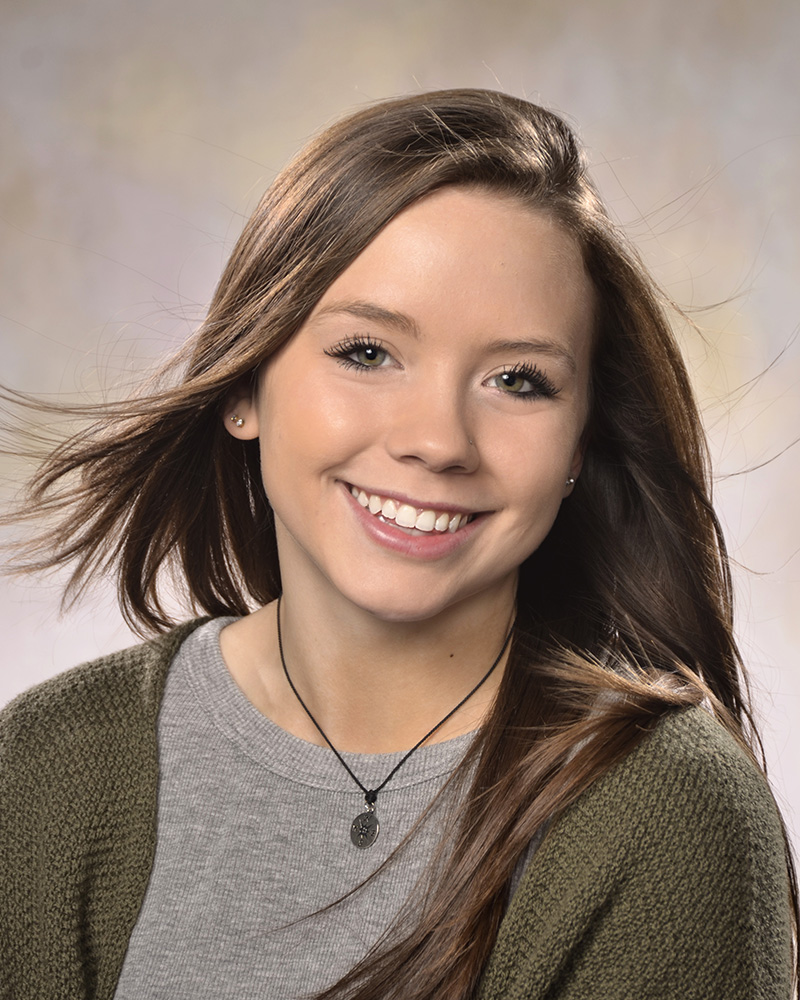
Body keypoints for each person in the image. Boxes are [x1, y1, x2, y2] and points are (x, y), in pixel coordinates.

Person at [0, 89, 796, 1000]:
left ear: (580, 446)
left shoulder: (665, 815)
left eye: (517, 380)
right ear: (244, 386)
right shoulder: (47, 766)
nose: (438, 440)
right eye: (368, 353)